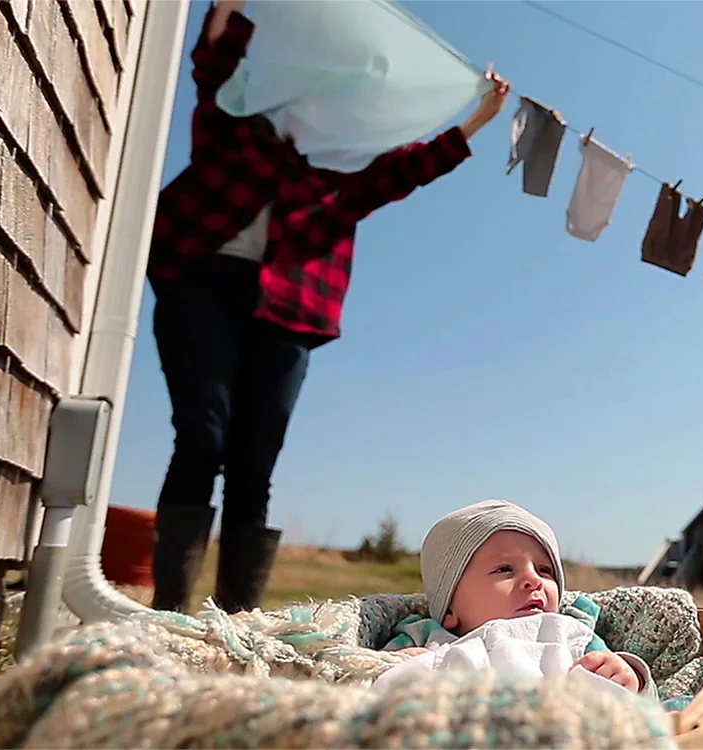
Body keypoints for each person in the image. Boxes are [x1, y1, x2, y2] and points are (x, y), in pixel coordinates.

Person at [146, 0, 510, 614]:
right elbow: (211, 67)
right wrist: (231, 7)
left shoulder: (343, 174)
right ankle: (167, 611)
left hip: (289, 312)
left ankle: (238, 620)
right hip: (200, 283)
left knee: (254, 462)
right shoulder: (232, 122)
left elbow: (408, 171)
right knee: (203, 437)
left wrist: (480, 115)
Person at [373, 500, 656, 698]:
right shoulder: (429, 637)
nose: (533, 580)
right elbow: (368, 677)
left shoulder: (569, 631)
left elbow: (632, 700)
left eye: (545, 571)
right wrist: (403, 663)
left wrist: (631, 677)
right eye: (504, 570)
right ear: (449, 608)